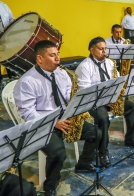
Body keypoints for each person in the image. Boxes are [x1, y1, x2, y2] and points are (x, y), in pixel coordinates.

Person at [13, 40, 101, 196]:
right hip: (42, 124)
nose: (57, 58)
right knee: (58, 153)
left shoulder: (61, 73)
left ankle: (83, 163)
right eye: (52, 55)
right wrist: (54, 123)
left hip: (64, 117)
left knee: (96, 133)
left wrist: (77, 104)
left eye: (58, 54)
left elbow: (67, 96)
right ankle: (50, 186)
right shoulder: (27, 81)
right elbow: (27, 113)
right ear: (40, 59)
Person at [75, 37, 134, 168]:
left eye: (105, 49)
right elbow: (85, 93)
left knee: (132, 108)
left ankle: (130, 138)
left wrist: (117, 92)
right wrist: (105, 97)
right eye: (101, 49)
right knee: (103, 118)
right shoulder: (84, 66)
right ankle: (103, 151)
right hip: (94, 101)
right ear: (91, 49)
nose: (104, 52)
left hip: (111, 98)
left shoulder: (110, 63)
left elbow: (117, 80)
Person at [0, 1, 16, 80]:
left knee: (10, 60)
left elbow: (11, 20)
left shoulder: (3, 5)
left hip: (6, 39)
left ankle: (13, 80)